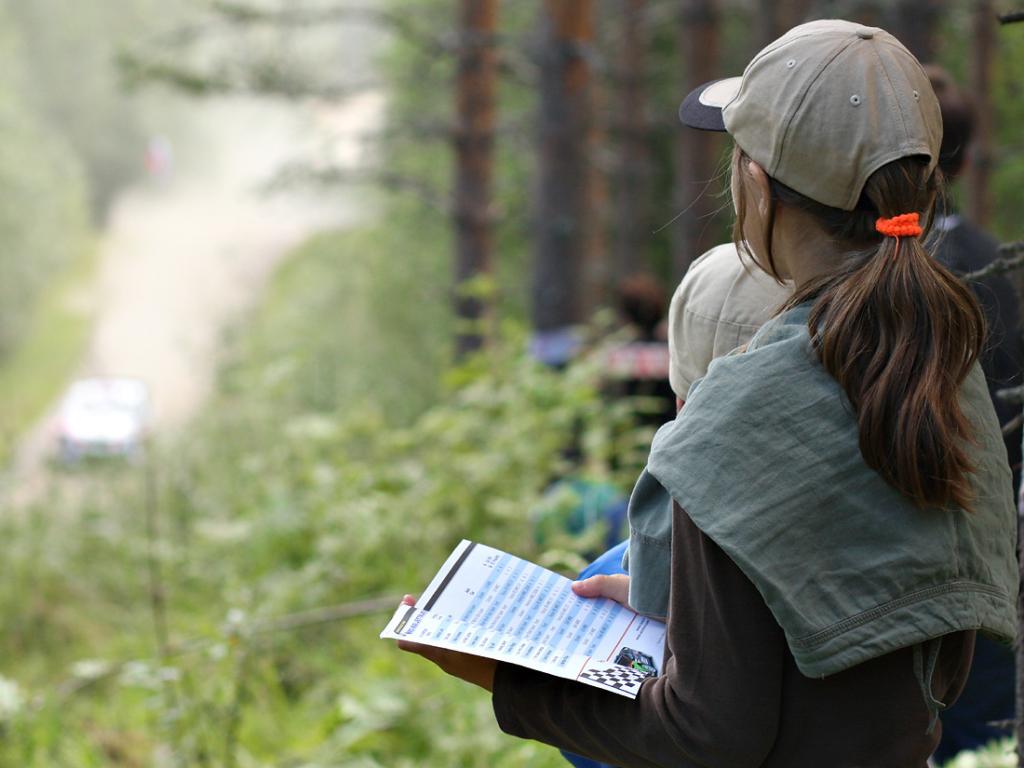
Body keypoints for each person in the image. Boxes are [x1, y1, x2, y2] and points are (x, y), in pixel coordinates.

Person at [398, 21, 1019, 767]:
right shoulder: (940, 358)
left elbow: (708, 735)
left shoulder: (744, 414)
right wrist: (678, 600)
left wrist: (507, 681)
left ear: (754, 185)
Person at [924, 64, 1024, 764]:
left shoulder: (897, 272)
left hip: (922, 567)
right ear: (961, 159)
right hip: (994, 560)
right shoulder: (995, 266)